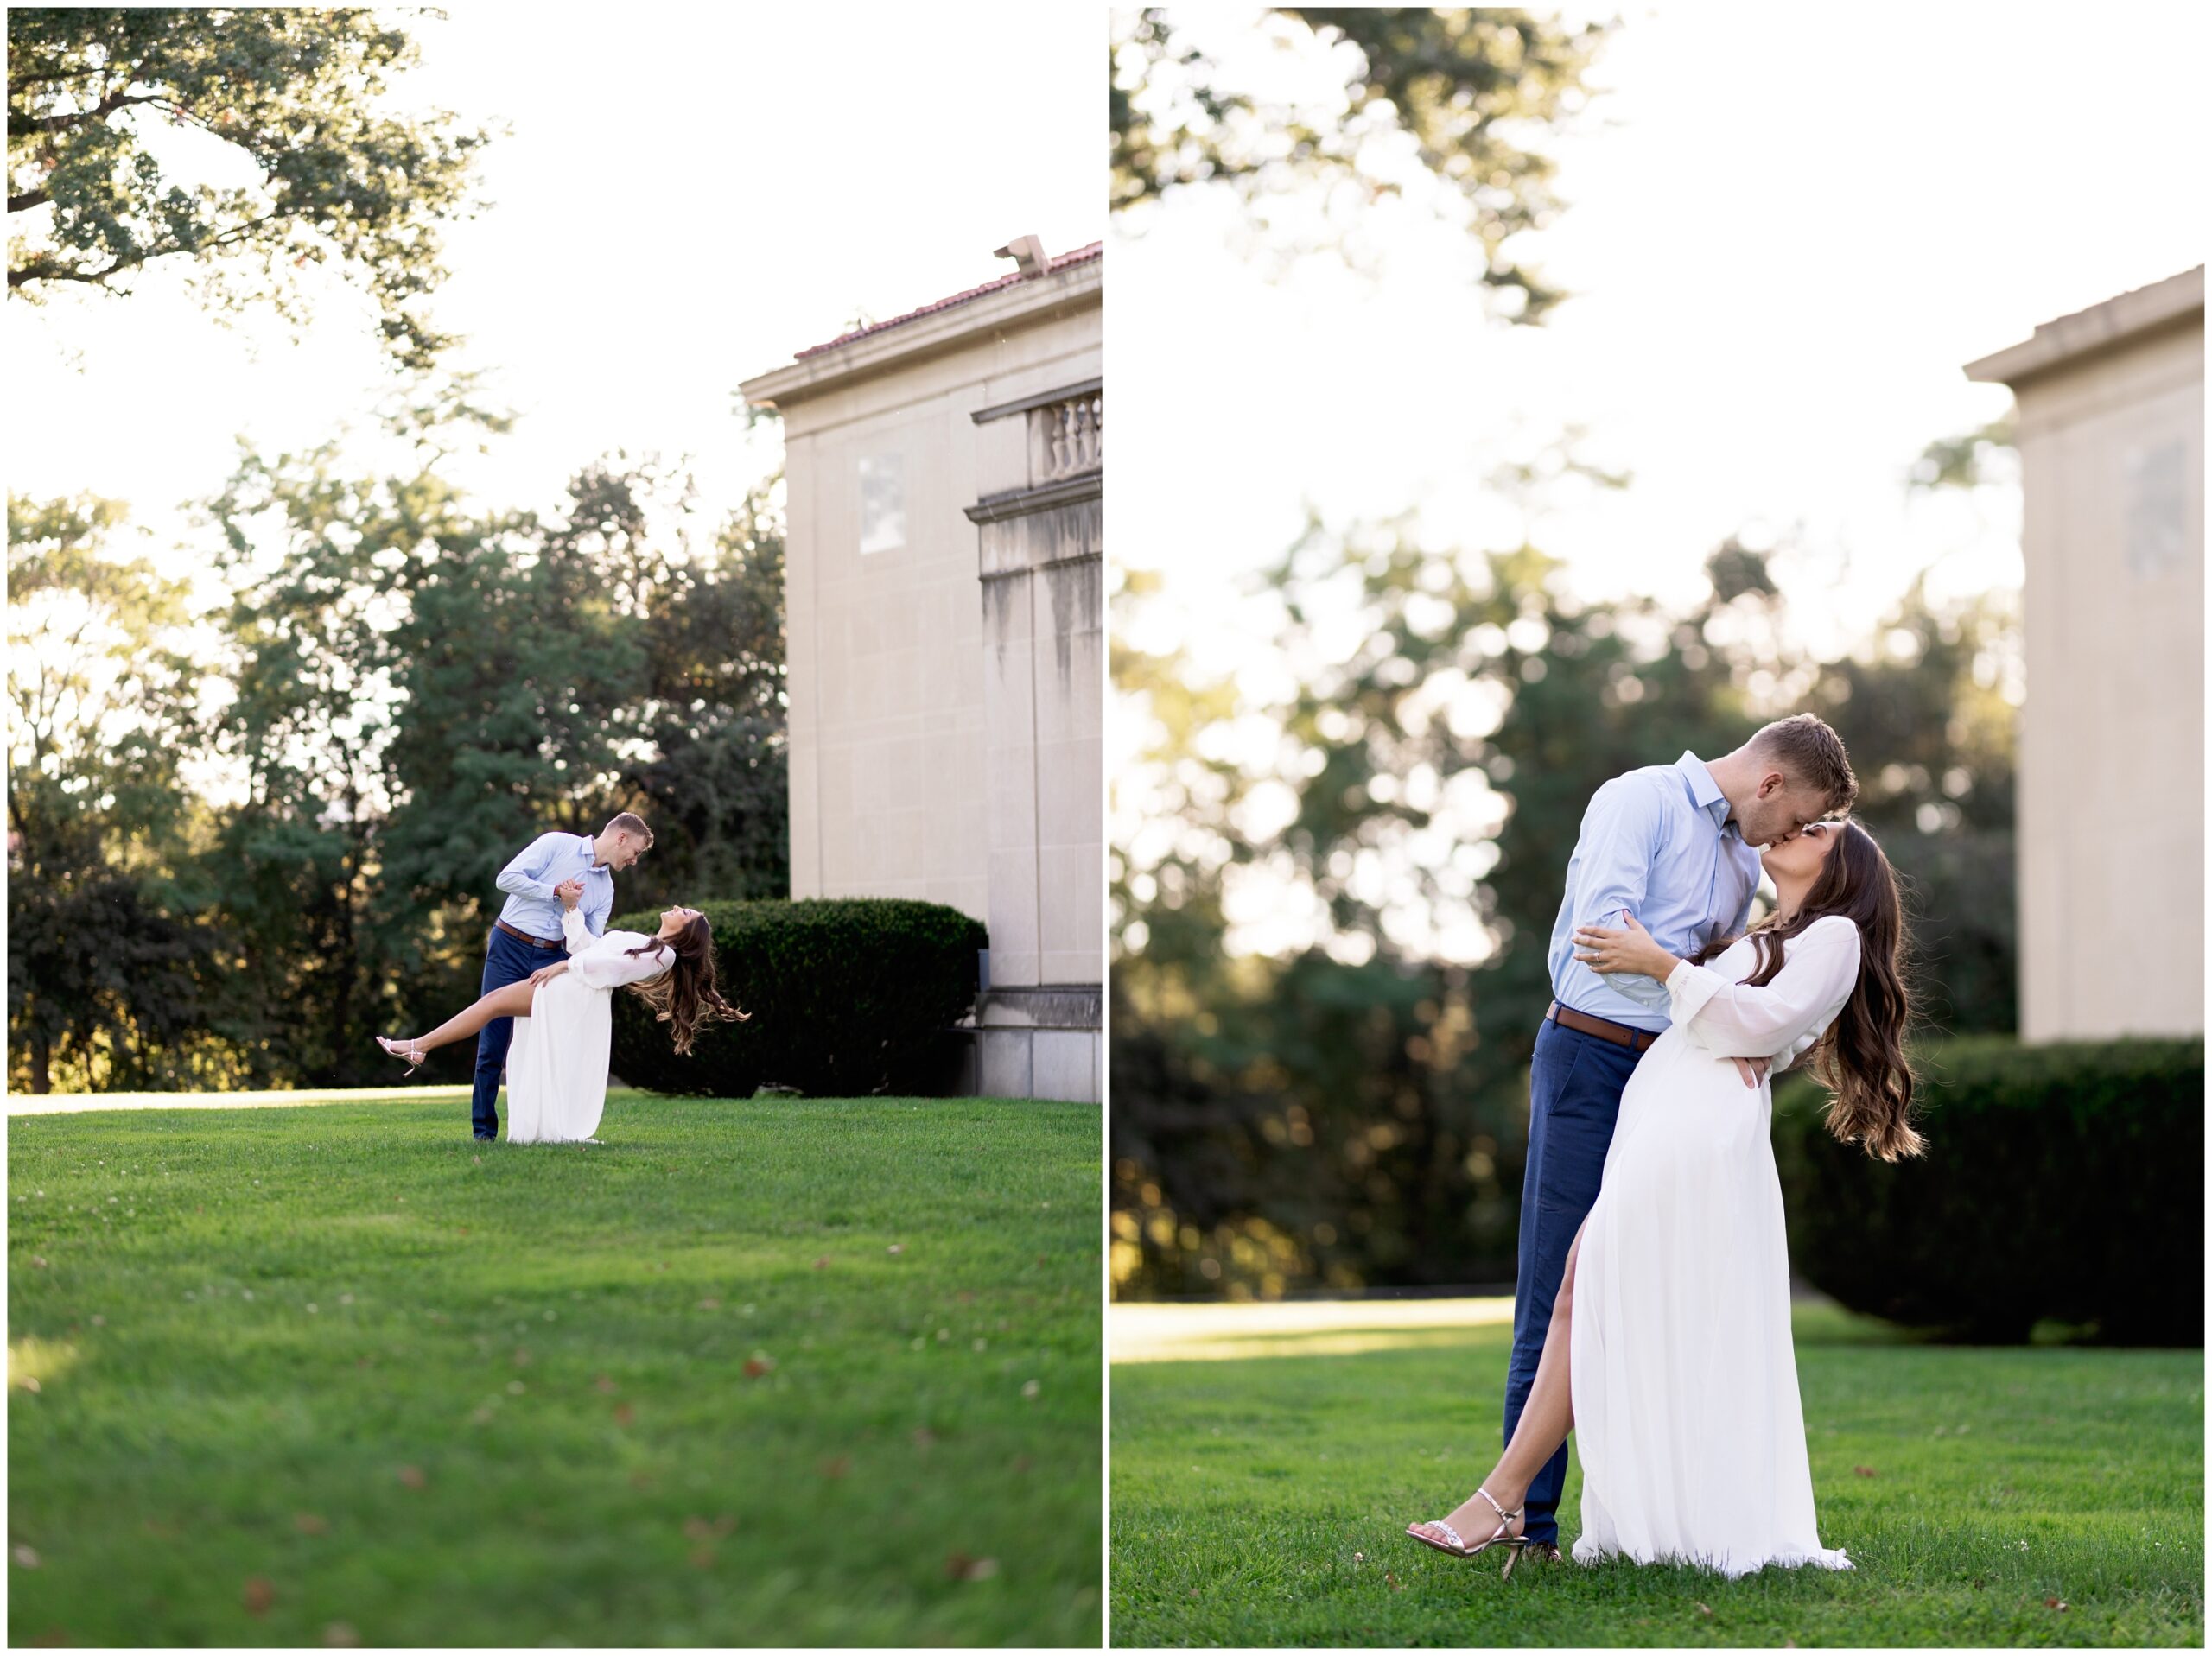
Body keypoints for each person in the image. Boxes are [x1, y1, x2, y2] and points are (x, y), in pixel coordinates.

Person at [1405, 812, 1921, 1577]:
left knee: (1588, 1284)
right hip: (1666, 1107)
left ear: (1843, 865)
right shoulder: (1773, 927)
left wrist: (1658, 963)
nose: (1790, 829)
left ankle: (1503, 1496)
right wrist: (1750, 1034)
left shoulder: (1839, 935)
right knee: (1604, 1293)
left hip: (1698, 1121)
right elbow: (1756, 1025)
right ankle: (1552, 1499)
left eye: (1816, 829)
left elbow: (1767, 1018)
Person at [378, 888, 746, 1143]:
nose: (680, 909)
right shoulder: (648, 942)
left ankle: (419, 1046)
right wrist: (572, 910)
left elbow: (606, 967)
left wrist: (562, 968)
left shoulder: (664, 955)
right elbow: (590, 947)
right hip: (570, 985)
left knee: (491, 1005)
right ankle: (419, 1046)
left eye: (687, 914)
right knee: (493, 1009)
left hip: (571, 992)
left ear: (687, 933)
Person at [465, 814, 652, 1141]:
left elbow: (588, 946)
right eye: (635, 851)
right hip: (509, 945)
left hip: (552, 958)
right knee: (492, 1042)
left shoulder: (605, 890)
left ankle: (543, 1128)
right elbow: (506, 879)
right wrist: (555, 892)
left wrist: (572, 909)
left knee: (548, 1046)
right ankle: (484, 1133)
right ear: (621, 838)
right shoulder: (556, 844)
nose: (634, 860)